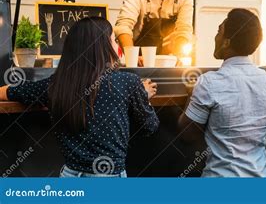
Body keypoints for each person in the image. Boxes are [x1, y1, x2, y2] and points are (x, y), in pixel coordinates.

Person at [0, 17, 159, 177]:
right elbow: (149, 127)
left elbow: (10, 91)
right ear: (103, 46)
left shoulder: (55, 84)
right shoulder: (128, 82)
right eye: (114, 40)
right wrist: (142, 96)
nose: (117, 46)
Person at [177, 9, 266, 177]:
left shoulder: (209, 83)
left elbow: (187, 135)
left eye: (219, 31)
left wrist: (192, 94)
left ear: (226, 42)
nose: (215, 37)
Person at [114, 0, 193, 61]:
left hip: (168, 60)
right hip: (139, 58)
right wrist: (132, 58)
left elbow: (184, 29)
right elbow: (123, 26)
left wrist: (179, 56)